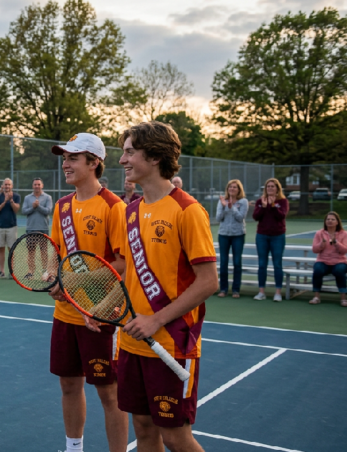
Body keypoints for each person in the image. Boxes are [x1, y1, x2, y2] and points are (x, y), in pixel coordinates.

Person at [117, 121, 217, 452]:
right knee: (143, 428)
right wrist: (106, 308)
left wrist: (155, 320)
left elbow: (209, 281)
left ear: (155, 156)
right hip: (132, 341)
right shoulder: (131, 211)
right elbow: (131, 274)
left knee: (175, 437)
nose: (122, 160)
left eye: (130, 152)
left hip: (172, 344)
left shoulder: (188, 210)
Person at [48, 133, 129, 452]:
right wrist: (53, 278)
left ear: (94, 162)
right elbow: (56, 255)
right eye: (64, 158)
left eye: (73, 158)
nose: (65, 164)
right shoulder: (62, 206)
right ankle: (74, 448)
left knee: (109, 393)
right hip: (66, 314)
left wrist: (72, 281)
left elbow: (123, 263)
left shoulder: (114, 207)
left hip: (101, 313)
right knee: (69, 385)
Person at [252, 178, 288, 302]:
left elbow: (281, 216)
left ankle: (278, 293)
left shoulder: (283, 201)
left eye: (273, 186)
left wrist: (273, 206)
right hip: (262, 236)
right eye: (268, 186)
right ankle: (261, 292)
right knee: (262, 264)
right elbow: (256, 217)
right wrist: (263, 206)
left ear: (277, 188)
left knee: (277, 264)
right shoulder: (260, 201)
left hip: (277, 236)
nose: (270, 188)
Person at [309, 212, 347, 306]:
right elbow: (314, 250)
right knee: (317, 270)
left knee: (339, 271)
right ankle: (316, 297)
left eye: (332, 219)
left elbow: (344, 250)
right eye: (328, 219)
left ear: (337, 222)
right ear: (325, 221)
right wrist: (321, 244)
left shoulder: (344, 234)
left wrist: (336, 243)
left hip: (339, 261)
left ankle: (343, 299)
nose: (330, 221)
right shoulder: (319, 233)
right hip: (323, 261)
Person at [216, 180, 248, 298]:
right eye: (230, 187)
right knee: (223, 262)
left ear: (239, 190)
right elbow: (218, 218)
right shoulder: (222, 201)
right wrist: (225, 207)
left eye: (235, 187)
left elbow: (241, 218)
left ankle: (235, 290)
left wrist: (232, 208)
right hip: (223, 235)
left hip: (238, 235)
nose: (232, 189)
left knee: (237, 262)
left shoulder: (243, 202)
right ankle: (223, 289)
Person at [22, 178, 54, 277]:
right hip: (31, 228)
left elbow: (48, 211)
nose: (37, 186)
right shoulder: (27, 198)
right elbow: (24, 211)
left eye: (38, 184)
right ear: (33, 186)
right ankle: (30, 272)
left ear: (42, 186)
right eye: (35, 184)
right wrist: (33, 207)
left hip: (43, 228)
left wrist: (38, 206)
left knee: (43, 251)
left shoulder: (48, 197)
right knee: (31, 251)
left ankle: (45, 272)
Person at [0, 178, 20, 279]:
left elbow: (16, 209)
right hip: (0, 226)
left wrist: (11, 200)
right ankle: (2, 271)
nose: (7, 186)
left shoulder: (16, 196)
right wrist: (4, 201)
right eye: (5, 184)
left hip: (11, 227)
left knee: (11, 250)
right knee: (1, 249)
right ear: (3, 186)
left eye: (9, 185)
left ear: (12, 186)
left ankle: (12, 272)